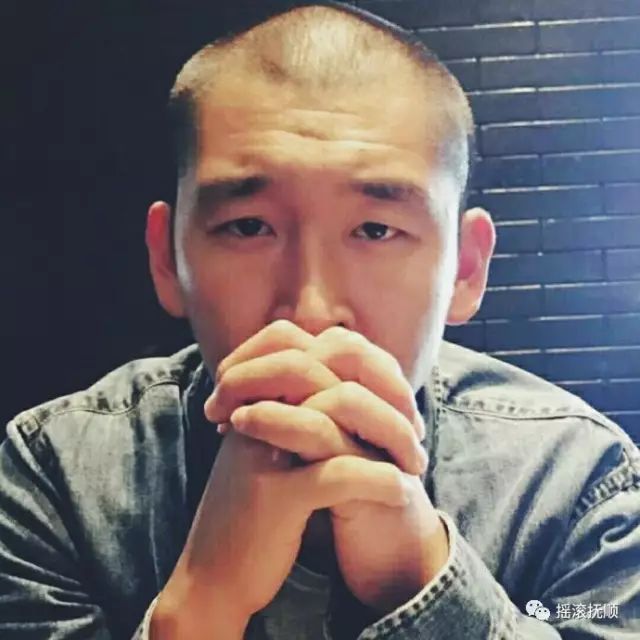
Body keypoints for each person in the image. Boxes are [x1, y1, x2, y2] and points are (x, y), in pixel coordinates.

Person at [0, 2, 638, 639]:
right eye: (249, 227)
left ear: (465, 269)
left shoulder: (581, 483)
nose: (310, 313)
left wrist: (420, 578)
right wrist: (201, 603)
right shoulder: (53, 478)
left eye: (376, 230)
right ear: (167, 258)